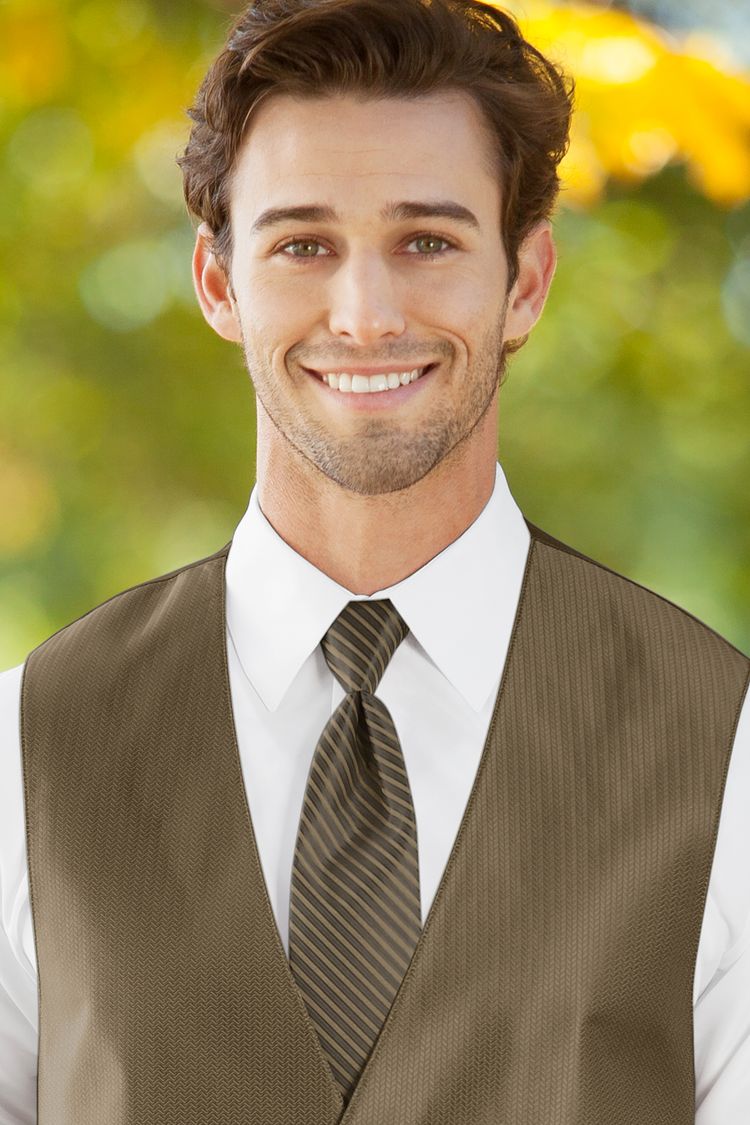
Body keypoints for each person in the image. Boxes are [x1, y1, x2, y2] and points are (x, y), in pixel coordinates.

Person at [0, 0, 748, 1121]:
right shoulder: (27, 748)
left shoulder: (726, 753)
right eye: (304, 244)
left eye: (428, 242)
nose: (364, 314)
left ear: (526, 283)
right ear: (219, 284)